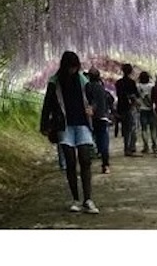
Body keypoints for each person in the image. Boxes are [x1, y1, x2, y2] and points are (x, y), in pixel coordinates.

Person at [39, 50, 100, 214]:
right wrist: (44, 125)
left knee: (86, 160)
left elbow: (94, 99)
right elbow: (47, 104)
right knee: (71, 163)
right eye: (70, 67)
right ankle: (75, 199)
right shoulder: (55, 82)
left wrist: (91, 109)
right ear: (65, 66)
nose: (73, 70)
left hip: (82, 124)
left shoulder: (82, 79)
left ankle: (88, 199)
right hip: (64, 126)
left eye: (75, 67)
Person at [87, 67, 113, 173]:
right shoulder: (102, 88)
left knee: (92, 140)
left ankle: (88, 162)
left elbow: (89, 101)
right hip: (103, 116)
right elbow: (110, 100)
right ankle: (105, 165)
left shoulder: (87, 87)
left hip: (92, 117)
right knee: (104, 141)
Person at [114, 63, 140, 156]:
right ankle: (131, 147)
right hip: (130, 107)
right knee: (132, 128)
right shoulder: (131, 82)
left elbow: (118, 94)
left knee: (125, 129)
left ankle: (126, 148)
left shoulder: (118, 82)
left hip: (121, 107)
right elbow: (136, 95)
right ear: (131, 71)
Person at [136, 71, 157, 154]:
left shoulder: (138, 86)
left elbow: (136, 96)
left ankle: (146, 146)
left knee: (144, 129)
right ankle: (154, 146)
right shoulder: (152, 86)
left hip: (142, 109)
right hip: (151, 109)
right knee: (153, 129)